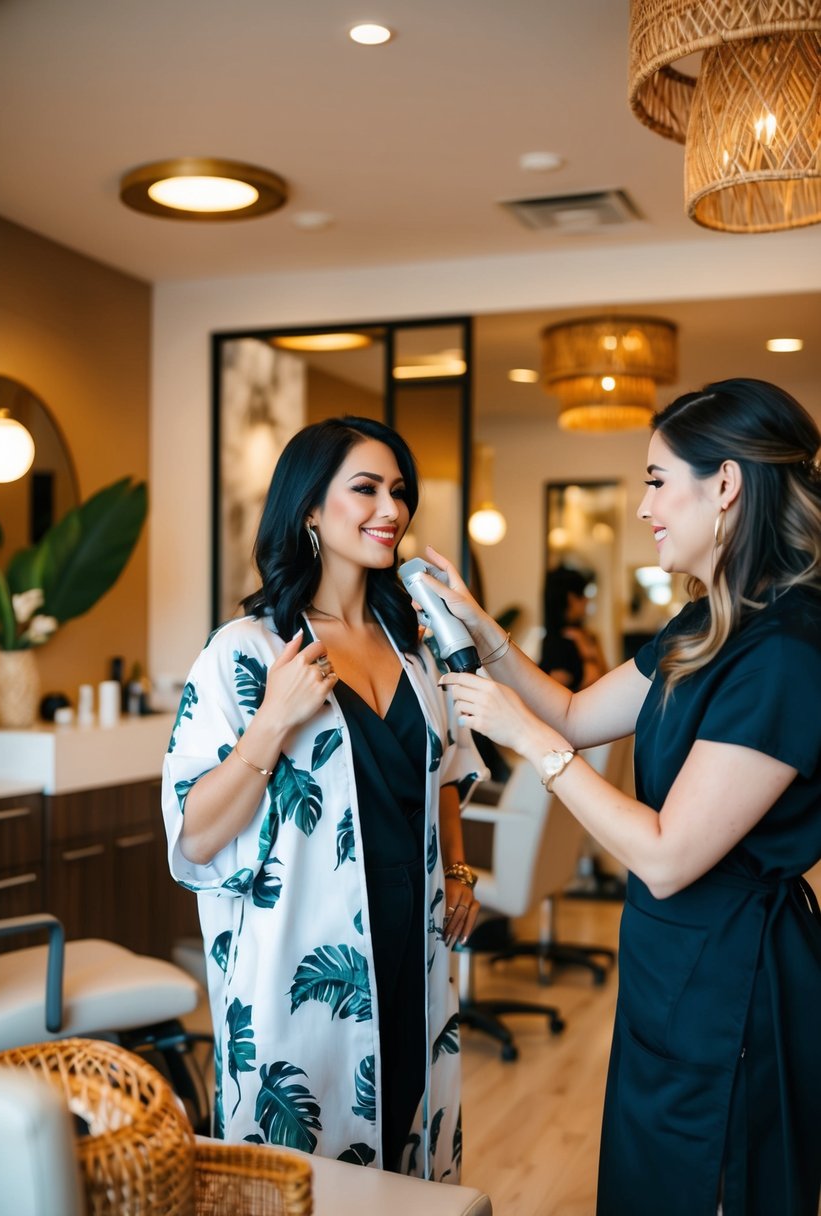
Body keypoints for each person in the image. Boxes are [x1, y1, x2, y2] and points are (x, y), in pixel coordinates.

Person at [427, 379, 821, 1215]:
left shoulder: (784, 650)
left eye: (653, 479)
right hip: (667, 963)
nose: (640, 505)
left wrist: (532, 747)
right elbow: (573, 711)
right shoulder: (709, 623)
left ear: (725, 485)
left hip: (734, 982)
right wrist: (479, 626)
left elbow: (667, 855)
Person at [162, 416, 486, 1180]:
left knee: (406, 1147)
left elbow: (443, 771)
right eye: (365, 488)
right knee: (301, 1167)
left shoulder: (413, 643)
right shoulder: (242, 652)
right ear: (309, 508)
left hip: (415, 944)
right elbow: (195, 837)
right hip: (307, 964)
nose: (391, 510)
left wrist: (462, 869)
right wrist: (270, 723)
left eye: (399, 492)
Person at [539, 564, 608, 690]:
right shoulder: (560, 644)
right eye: (583, 595)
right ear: (571, 599)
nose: (587, 600)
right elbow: (598, 681)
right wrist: (588, 655)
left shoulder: (581, 636)